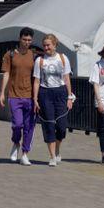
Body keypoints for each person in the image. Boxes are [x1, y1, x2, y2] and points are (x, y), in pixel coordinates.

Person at [32, 33, 74, 167]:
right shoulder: (40, 61)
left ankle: (57, 149)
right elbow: (37, 81)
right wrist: (35, 99)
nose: (46, 48)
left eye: (48, 45)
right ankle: (52, 156)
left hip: (60, 92)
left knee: (61, 126)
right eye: (44, 45)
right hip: (45, 93)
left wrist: (69, 97)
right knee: (49, 124)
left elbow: (67, 78)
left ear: (55, 45)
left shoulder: (63, 58)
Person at [0, 28, 36, 165]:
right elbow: (6, 73)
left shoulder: (34, 55)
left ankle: (25, 154)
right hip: (14, 95)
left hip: (30, 96)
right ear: (19, 39)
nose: (27, 42)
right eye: (24, 40)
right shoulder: (10, 55)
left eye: (29, 40)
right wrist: (2, 93)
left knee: (29, 126)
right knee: (17, 124)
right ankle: (16, 142)